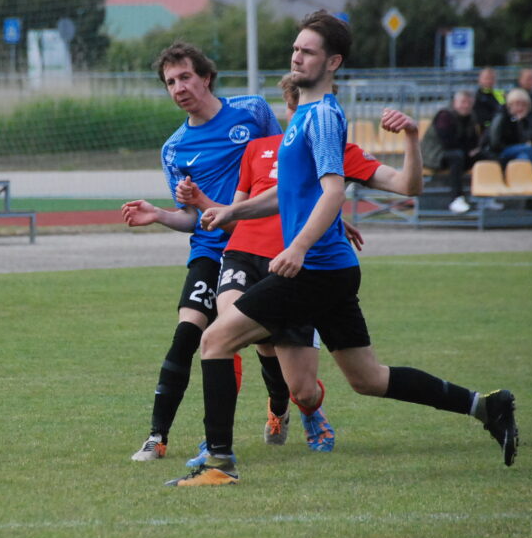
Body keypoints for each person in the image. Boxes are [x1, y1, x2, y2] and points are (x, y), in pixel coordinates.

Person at [166, 11, 518, 487]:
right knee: (368, 378)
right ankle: (487, 406)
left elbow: (336, 192)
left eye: (308, 51)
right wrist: (233, 212)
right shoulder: (304, 117)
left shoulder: (323, 116)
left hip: (313, 269)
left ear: (332, 62)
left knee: (215, 340)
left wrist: (297, 248)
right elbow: (291, 192)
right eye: (296, 48)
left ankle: (219, 463)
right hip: (332, 269)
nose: (296, 56)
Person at [176, 72, 424, 464]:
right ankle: (218, 441)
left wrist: (329, 225)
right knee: (223, 336)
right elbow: (246, 209)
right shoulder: (258, 150)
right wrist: (207, 203)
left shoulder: (330, 148)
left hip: (296, 266)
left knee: (308, 387)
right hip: (245, 254)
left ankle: (300, 407)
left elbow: (344, 192)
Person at [121, 41, 282, 462]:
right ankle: (157, 437)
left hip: (258, 244)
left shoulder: (252, 112)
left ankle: (281, 405)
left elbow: (284, 168)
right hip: (211, 251)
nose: (178, 87)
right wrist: (159, 215)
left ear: (206, 77)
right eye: (170, 82)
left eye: (185, 77)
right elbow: (193, 218)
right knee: (187, 335)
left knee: (268, 343)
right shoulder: (174, 149)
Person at [420, 90, 483, 213]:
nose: (466, 106)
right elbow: (447, 142)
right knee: (456, 156)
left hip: (458, 153)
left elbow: (474, 141)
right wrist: (468, 151)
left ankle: (486, 198)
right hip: (434, 155)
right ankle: (456, 198)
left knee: (484, 156)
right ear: (455, 102)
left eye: (469, 103)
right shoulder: (444, 116)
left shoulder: (472, 117)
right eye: (463, 102)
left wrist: (474, 151)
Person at [486, 88, 532, 169]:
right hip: (498, 152)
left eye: (524, 105)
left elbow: (524, 140)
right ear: (510, 104)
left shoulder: (525, 120)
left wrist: (520, 122)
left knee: (524, 157)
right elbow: (495, 143)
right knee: (528, 149)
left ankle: (523, 176)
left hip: (515, 150)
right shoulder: (501, 117)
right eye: (517, 104)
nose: (520, 108)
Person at [473, 67, 504, 135]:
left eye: (492, 78)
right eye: (486, 78)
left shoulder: (500, 94)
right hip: (486, 131)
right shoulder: (476, 97)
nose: (489, 81)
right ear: (480, 79)